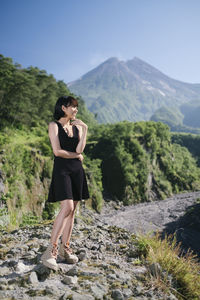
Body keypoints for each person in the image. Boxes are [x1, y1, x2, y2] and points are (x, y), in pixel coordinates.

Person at [41, 96, 90, 271]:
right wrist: (76, 156)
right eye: (73, 107)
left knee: (73, 211)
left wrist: (84, 130)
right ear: (63, 108)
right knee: (67, 207)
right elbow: (57, 151)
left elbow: (79, 150)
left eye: (76, 107)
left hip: (77, 170)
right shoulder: (54, 125)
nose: (76, 110)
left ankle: (65, 248)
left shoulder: (75, 126)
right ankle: (50, 251)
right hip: (62, 170)